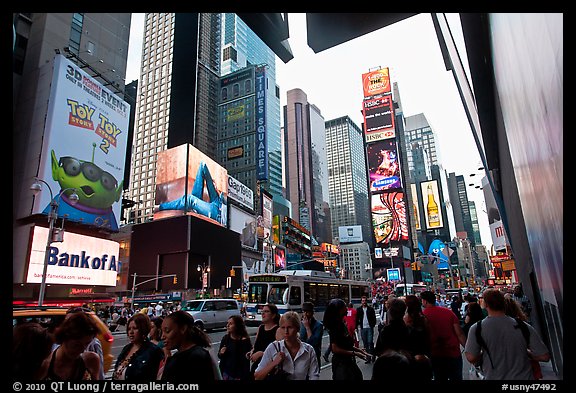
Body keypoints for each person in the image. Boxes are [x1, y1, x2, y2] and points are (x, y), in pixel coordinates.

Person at [464, 288, 550, 380]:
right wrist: (527, 353)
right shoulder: (522, 326)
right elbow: (544, 356)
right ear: (504, 304)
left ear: (485, 304)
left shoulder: (477, 329)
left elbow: (471, 357)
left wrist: (486, 352)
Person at [156, 161, 227, 226]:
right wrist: (218, 191)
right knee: (203, 166)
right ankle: (194, 208)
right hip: (219, 200)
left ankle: (160, 207)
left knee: (190, 199)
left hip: (218, 214)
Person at [254, 311, 320, 380]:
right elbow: (257, 376)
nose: (286, 332)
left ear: (297, 328)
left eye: (290, 327)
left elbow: (314, 376)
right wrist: (274, 363)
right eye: (283, 328)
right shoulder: (273, 347)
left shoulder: (308, 350)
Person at [39, 312, 101, 380]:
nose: (82, 350)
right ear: (64, 337)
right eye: (77, 345)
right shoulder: (44, 366)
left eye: (87, 343)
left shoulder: (91, 360)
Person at [420, 290, 467, 381]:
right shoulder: (449, 313)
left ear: (425, 301)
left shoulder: (423, 316)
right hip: (453, 353)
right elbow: (459, 334)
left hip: (436, 355)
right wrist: (468, 349)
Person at [160, 310, 219, 381]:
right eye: (162, 331)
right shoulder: (178, 356)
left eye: (167, 331)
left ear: (183, 329)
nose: (162, 337)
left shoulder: (196, 358)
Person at [323, 298, 371, 380]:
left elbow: (346, 345)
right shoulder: (336, 326)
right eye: (344, 306)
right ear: (339, 310)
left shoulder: (342, 324)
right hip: (341, 364)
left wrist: (359, 351)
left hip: (348, 362)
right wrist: (354, 353)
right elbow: (335, 348)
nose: (346, 308)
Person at [112, 313, 164, 381]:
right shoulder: (126, 348)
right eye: (129, 329)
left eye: (135, 328)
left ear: (143, 329)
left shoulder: (154, 351)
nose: (131, 332)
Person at [248, 303, 281, 376]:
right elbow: (256, 345)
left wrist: (261, 354)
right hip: (256, 366)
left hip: (268, 368)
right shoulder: (261, 328)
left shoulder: (278, 330)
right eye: (262, 311)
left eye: (266, 311)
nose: (263, 314)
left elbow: (279, 352)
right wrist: (252, 352)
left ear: (273, 315)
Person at [218, 315, 253, 380]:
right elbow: (219, 356)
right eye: (227, 323)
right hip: (225, 372)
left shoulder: (244, 341)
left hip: (238, 375)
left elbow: (245, 361)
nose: (228, 325)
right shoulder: (226, 338)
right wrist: (221, 353)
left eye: (231, 324)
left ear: (237, 326)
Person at [299, 301, 324, 366]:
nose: (305, 314)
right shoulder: (302, 324)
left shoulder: (318, 325)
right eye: (304, 312)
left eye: (307, 312)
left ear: (312, 313)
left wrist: (307, 327)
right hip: (303, 357)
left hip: (314, 356)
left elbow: (313, 342)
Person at [356, 295, 377, 362]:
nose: (364, 302)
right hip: (363, 328)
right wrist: (356, 326)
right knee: (365, 343)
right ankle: (368, 357)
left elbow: (374, 318)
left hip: (369, 327)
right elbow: (357, 319)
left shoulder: (370, 309)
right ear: (361, 302)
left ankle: (373, 355)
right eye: (362, 301)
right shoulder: (359, 309)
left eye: (365, 301)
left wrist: (372, 325)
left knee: (370, 342)